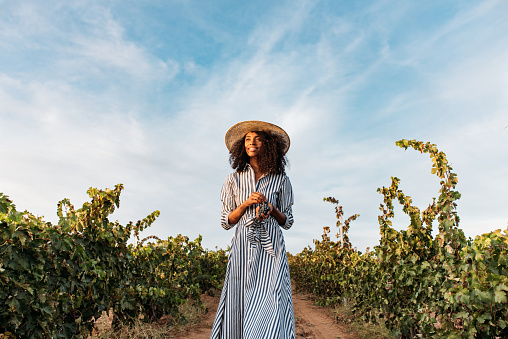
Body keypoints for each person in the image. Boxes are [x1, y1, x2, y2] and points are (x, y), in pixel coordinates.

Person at [210, 121, 295, 339]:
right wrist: (246, 204)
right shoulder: (233, 179)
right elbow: (226, 221)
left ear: (269, 145)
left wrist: (273, 209)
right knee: (241, 299)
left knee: (272, 299)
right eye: (248, 139)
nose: (252, 143)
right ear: (242, 147)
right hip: (243, 247)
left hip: (271, 250)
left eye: (257, 139)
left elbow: (287, 221)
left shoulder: (281, 180)